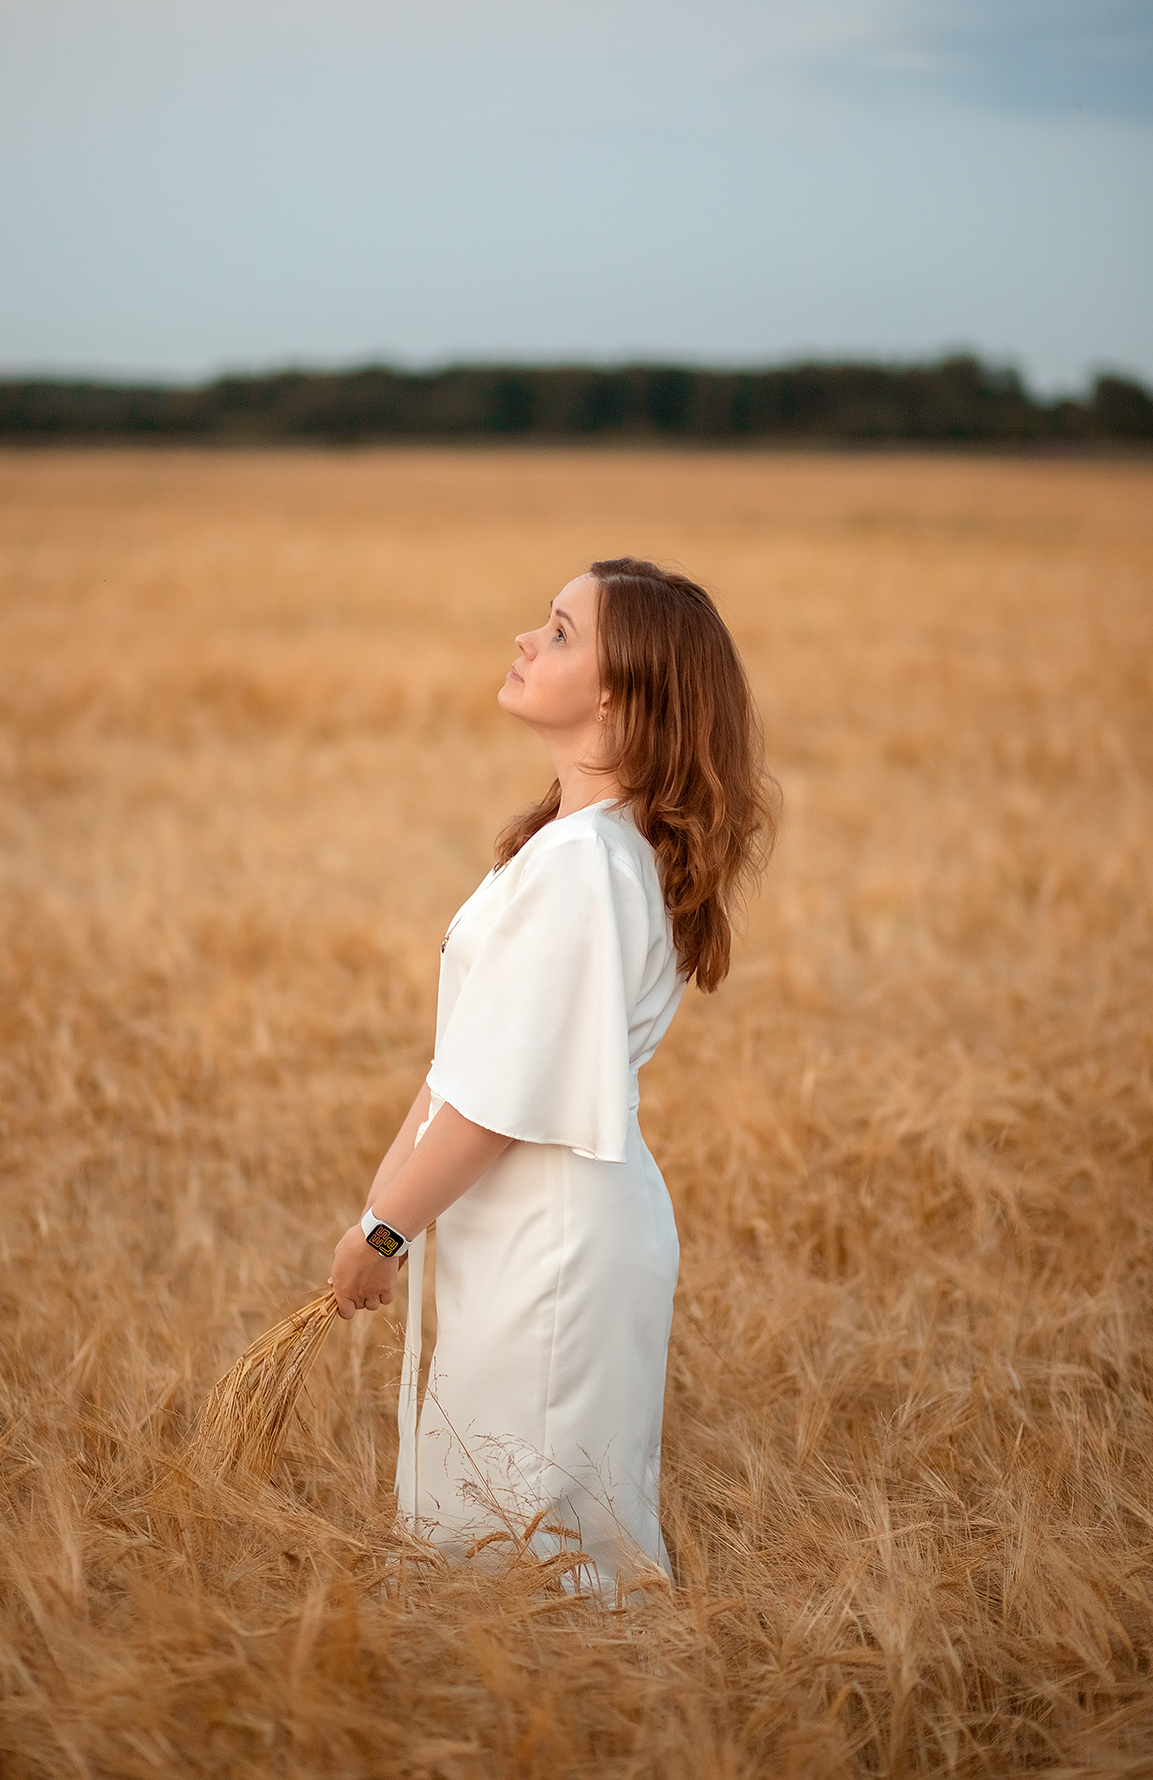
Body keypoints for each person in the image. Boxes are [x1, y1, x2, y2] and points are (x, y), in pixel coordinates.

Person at [329, 557, 776, 1598]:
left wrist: (387, 1233)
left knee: (536, 1554)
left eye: (563, 633)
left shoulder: (584, 869)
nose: (527, 641)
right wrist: (382, 1210)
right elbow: (463, 1062)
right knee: (511, 1540)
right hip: (528, 1223)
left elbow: (493, 1107)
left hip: (557, 1239)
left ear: (620, 696)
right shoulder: (571, 847)